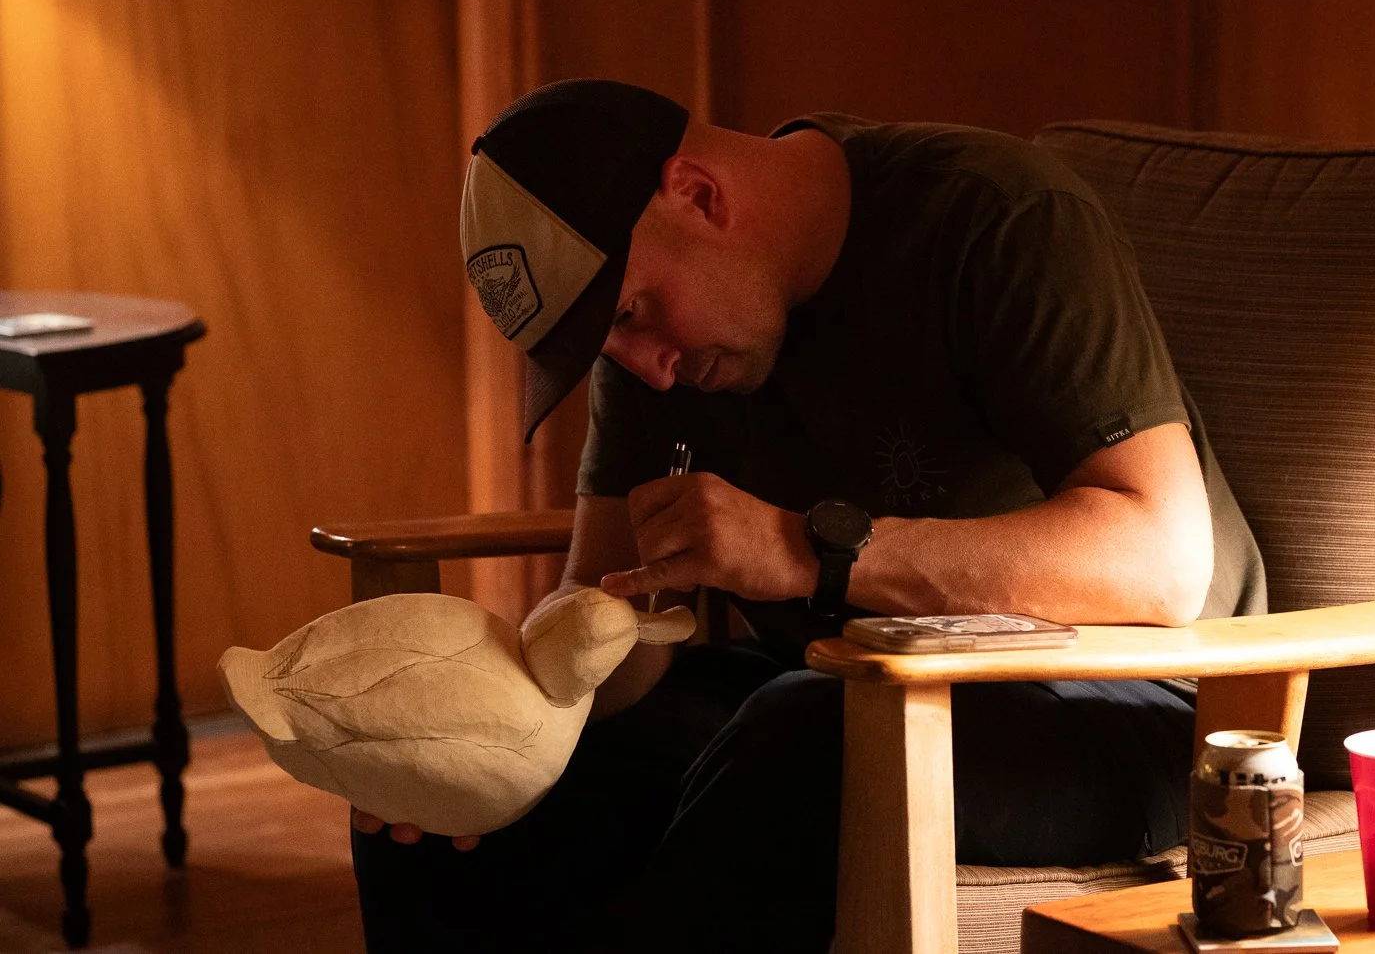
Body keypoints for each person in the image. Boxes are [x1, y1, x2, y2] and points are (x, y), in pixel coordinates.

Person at [352, 80, 1267, 952]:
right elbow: (612, 626)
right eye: (610, 342)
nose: (648, 367)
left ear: (698, 194)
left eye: (634, 312)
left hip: (1142, 702)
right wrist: (473, 732)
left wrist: (806, 551)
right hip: (830, 692)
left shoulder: (997, 217)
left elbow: (1163, 556)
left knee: (806, 744)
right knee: (447, 812)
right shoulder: (655, 353)